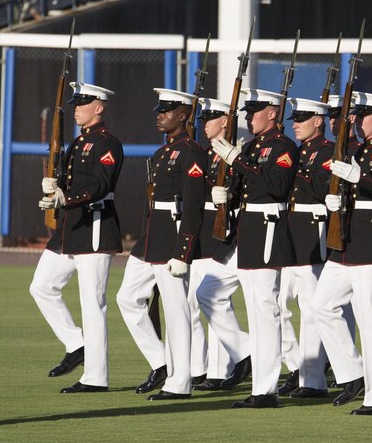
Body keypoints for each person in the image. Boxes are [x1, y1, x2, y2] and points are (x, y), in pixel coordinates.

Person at [312, 91, 372, 414]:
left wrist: (360, 179)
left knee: (370, 318)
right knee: (322, 305)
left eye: (362, 113)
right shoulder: (355, 149)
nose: (355, 119)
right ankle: (353, 372)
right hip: (346, 245)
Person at [30, 82, 124, 393]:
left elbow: (100, 184)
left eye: (83, 103)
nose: (76, 109)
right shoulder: (76, 143)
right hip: (71, 228)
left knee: (92, 303)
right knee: (42, 286)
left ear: (99, 107)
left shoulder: (107, 143)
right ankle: (77, 343)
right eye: (75, 103)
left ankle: (96, 378)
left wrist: (65, 199)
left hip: (95, 227)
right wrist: (53, 184)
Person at [210, 88, 298, 408]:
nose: (249, 117)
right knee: (255, 313)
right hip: (248, 230)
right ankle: (260, 385)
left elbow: (276, 186)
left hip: (268, 230)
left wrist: (238, 161)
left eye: (255, 111)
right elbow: (243, 188)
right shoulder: (252, 146)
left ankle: (266, 389)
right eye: (247, 111)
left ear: (272, 113)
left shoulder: (283, 147)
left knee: (265, 310)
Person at [117, 89, 204, 400]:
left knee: (176, 311)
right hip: (152, 238)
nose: (160, 115)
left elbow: (193, 206)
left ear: (183, 115)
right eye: (159, 110)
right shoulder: (162, 152)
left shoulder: (191, 152)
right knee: (127, 298)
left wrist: (183, 251)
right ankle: (161, 361)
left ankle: (180, 382)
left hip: (172, 238)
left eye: (167, 110)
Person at [193, 97, 251, 391]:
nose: (205, 124)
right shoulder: (207, 154)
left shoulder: (240, 151)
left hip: (239, 234)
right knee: (210, 297)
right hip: (215, 233)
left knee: (275, 306)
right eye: (203, 119)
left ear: (226, 121)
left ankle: (289, 363)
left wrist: (230, 197)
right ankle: (228, 364)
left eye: (211, 118)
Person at [280, 96, 336, 397]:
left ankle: (313, 380)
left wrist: (294, 170)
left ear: (319, 121)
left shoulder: (327, 152)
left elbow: (321, 187)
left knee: (311, 307)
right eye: (294, 119)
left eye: (302, 119)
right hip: (290, 231)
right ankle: (296, 364)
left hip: (312, 230)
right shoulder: (297, 152)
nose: (296, 124)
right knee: (276, 303)